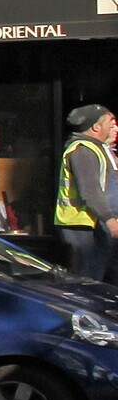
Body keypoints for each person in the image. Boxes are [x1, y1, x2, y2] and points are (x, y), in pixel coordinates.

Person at [55, 104, 118, 281]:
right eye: (110, 123)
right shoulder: (82, 150)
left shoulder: (98, 149)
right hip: (83, 227)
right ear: (97, 127)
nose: (115, 127)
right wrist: (111, 221)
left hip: (96, 225)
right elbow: (91, 192)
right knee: (87, 282)